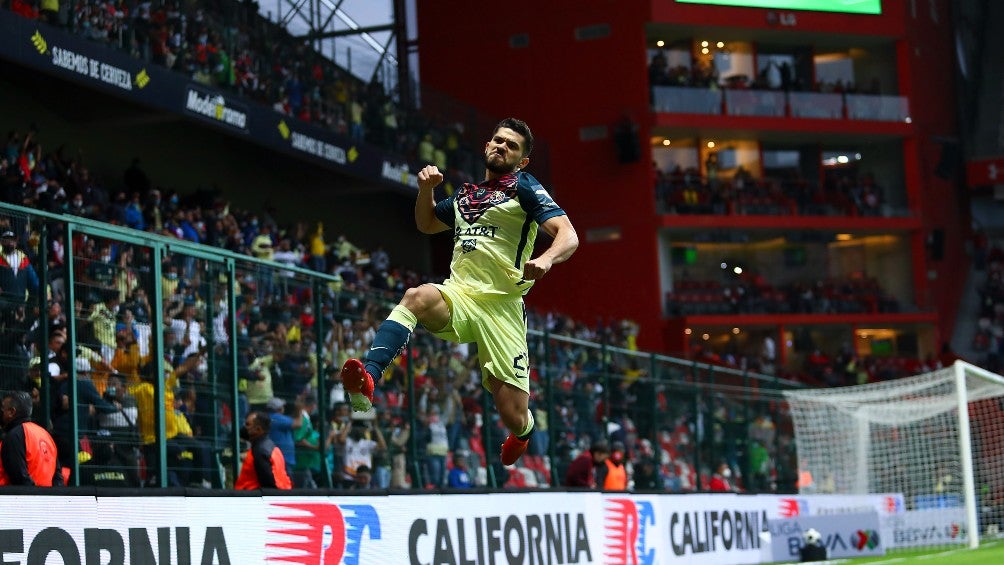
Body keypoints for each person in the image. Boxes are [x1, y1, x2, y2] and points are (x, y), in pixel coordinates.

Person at [340, 118, 579, 467]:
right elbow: (426, 224)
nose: (502, 147)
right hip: (461, 295)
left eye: (512, 146)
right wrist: (426, 190)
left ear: (522, 161)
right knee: (415, 296)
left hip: (503, 308)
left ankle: (524, 432)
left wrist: (546, 259)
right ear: (486, 145)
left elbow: (568, 234)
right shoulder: (466, 194)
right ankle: (370, 379)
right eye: (498, 140)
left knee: (512, 413)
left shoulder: (524, 186)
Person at [0, 391, 60, 486]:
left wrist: (34, 495)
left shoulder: (14, 435)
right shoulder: (45, 434)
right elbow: (57, 476)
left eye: (2, 409)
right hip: (48, 497)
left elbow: (19, 476)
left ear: (12, 412)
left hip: (25, 498)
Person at [235, 411, 292, 490]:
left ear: (258, 429)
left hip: (254, 498)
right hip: (281, 494)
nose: (244, 427)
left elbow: (268, 483)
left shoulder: (259, 451)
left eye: (248, 425)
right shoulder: (273, 448)